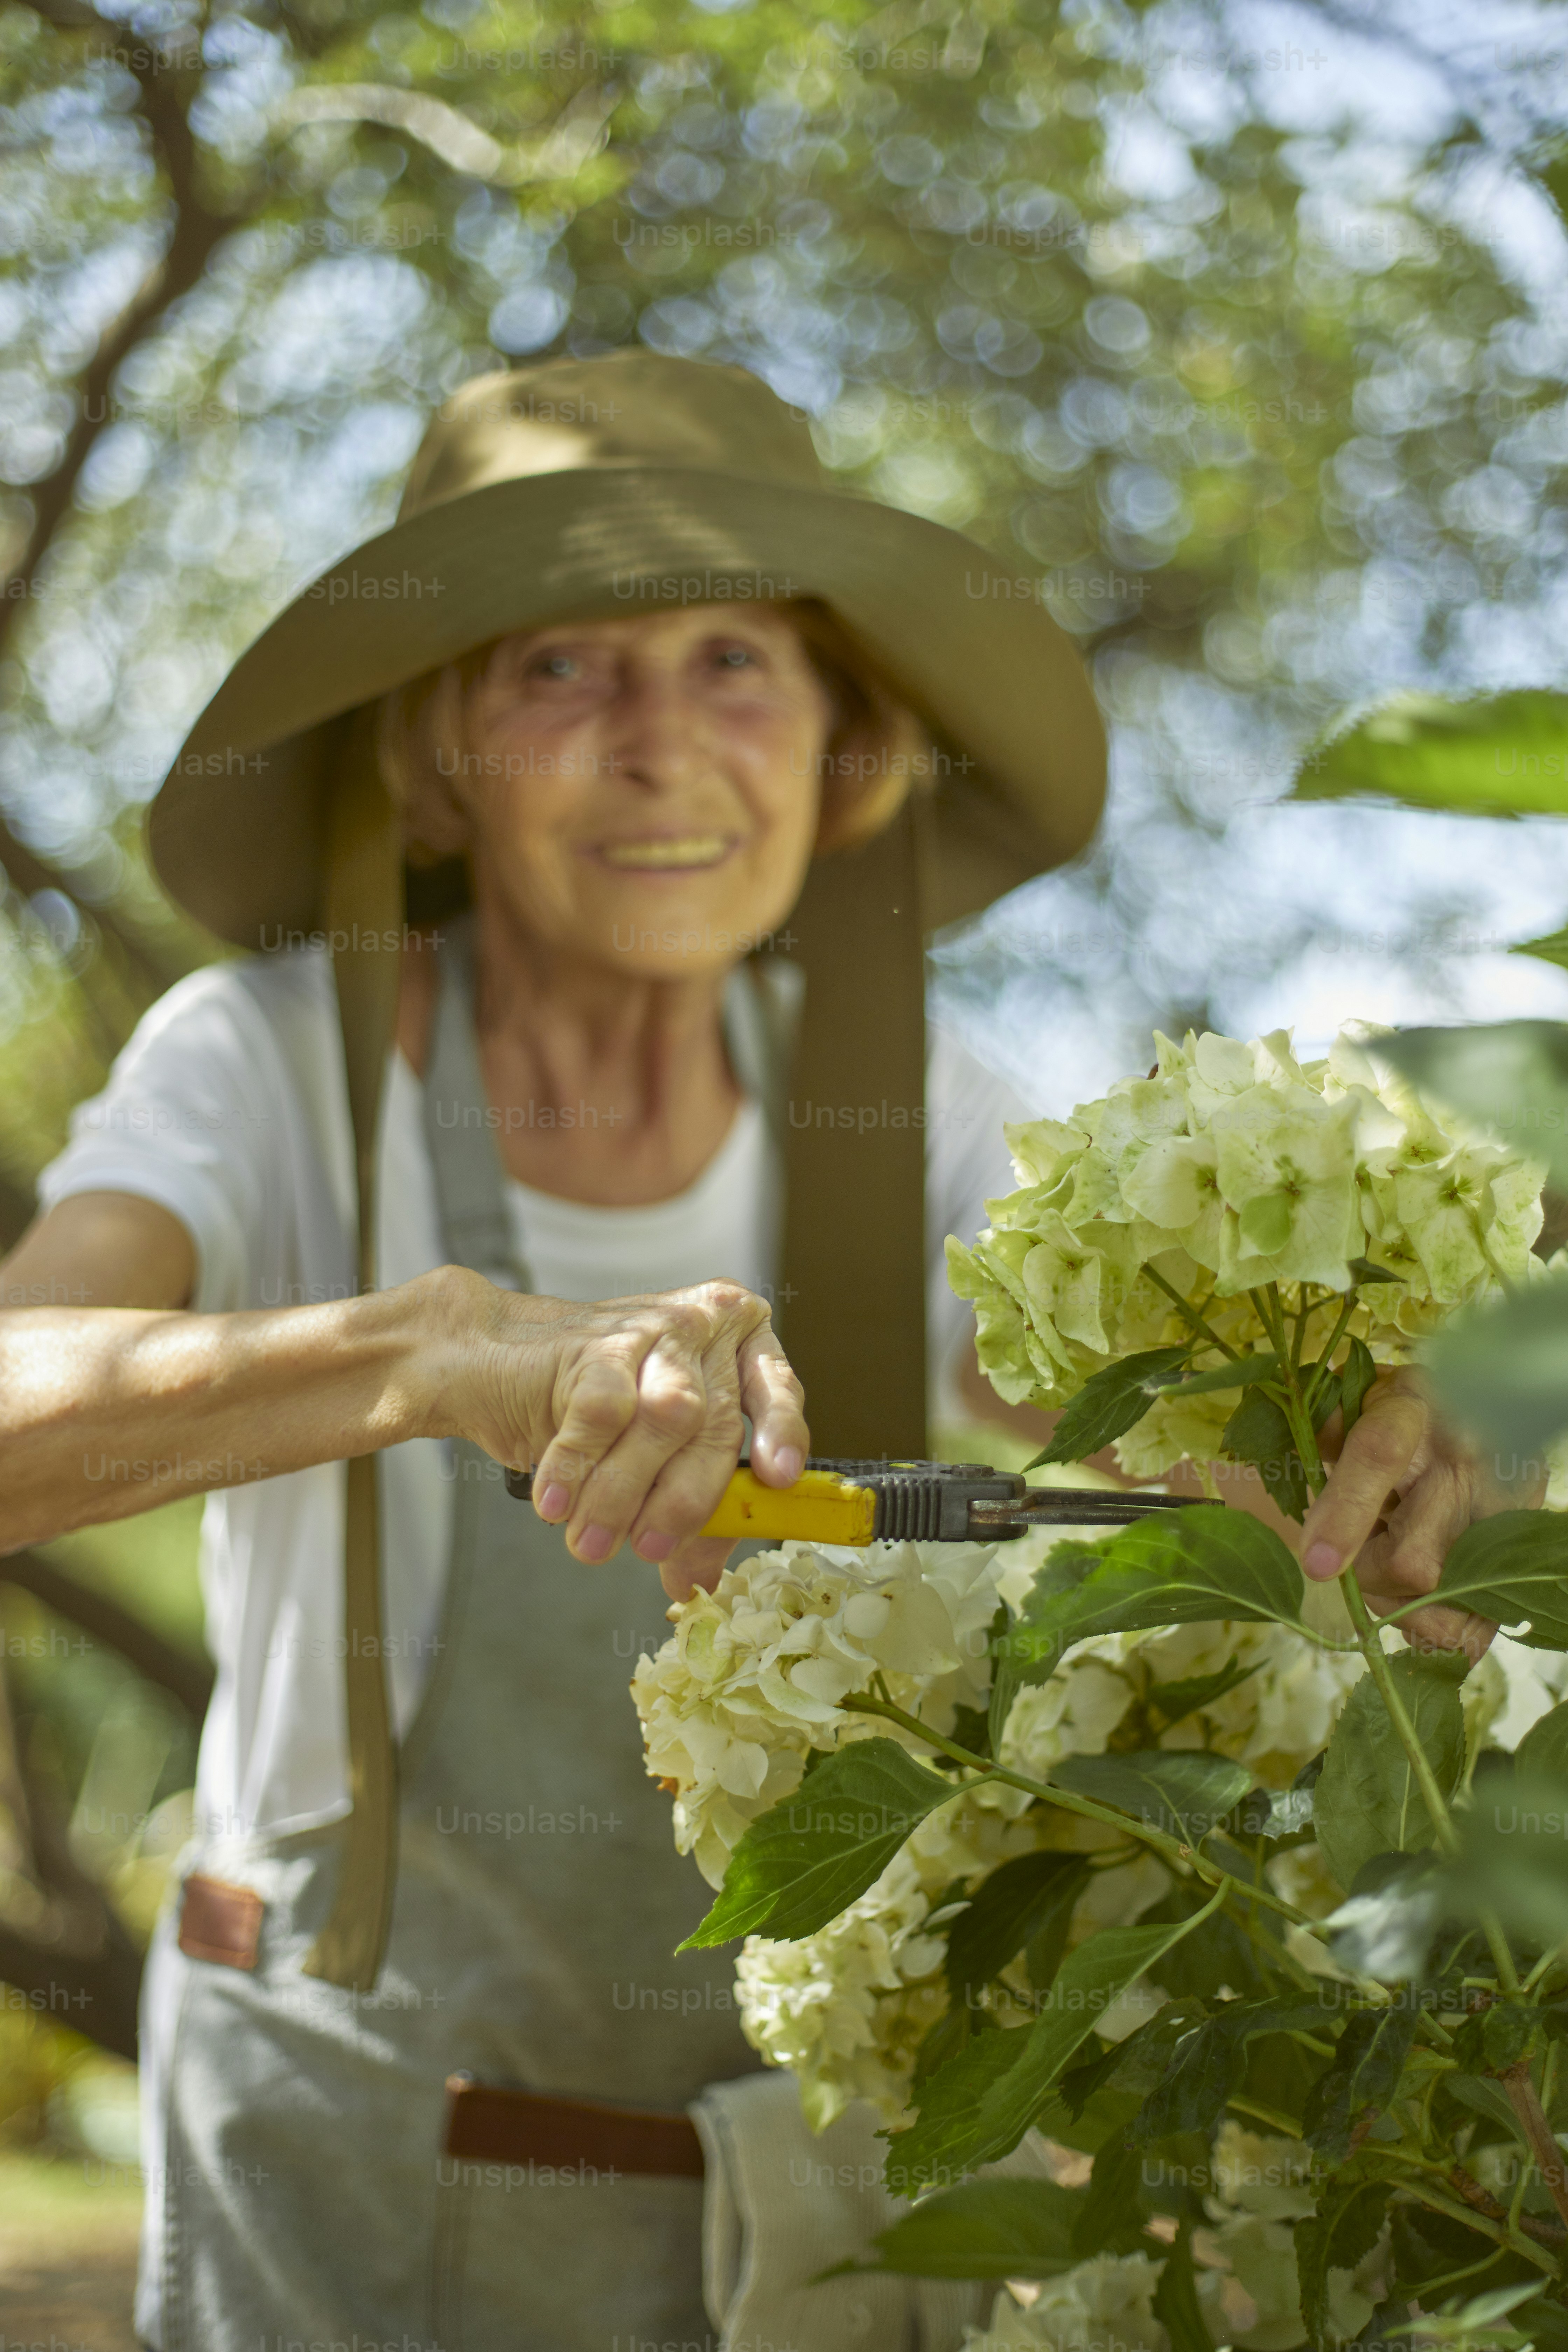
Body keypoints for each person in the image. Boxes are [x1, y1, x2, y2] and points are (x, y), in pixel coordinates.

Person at [0, 352, 1504, 2348]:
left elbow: (1165, 1447)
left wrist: (1377, 1439)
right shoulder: (271, 1065)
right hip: (339, 2171)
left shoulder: (919, 1099)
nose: (655, 742)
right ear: (441, 746)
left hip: (805, 2203)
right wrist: (444, 1349)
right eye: (559, 668)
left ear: (839, 743)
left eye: (732, 660)